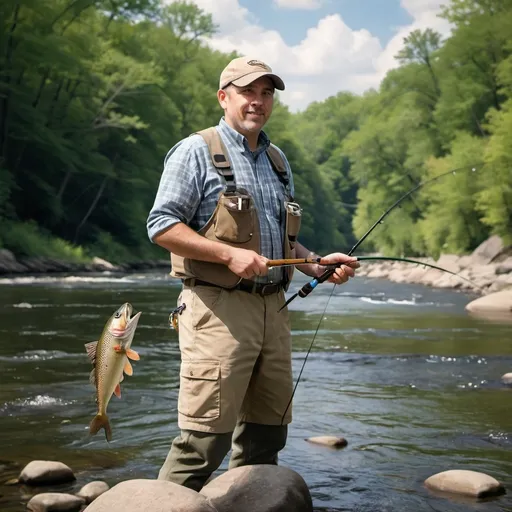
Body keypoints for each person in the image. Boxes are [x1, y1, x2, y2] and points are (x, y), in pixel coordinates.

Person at [146, 56, 359, 491]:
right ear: (224, 97)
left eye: (266, 94)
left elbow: (282, 241)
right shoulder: (195, 151)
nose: (257, 102)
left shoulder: (278, 161)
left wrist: (315, 263)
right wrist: (227, 255)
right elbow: (162, 226)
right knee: (204, 440)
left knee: (267, 433)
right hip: (217, 310)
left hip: (274, 312)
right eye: (247, 92)